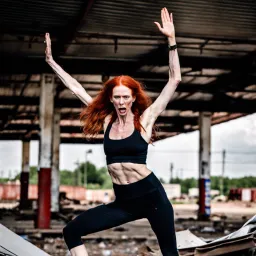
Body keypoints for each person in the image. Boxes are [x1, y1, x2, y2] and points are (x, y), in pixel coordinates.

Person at [45, 7, 181, 256]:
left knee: (170, 254)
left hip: (152, 198)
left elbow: (174, 80)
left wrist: (171, 41)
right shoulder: (108, 121)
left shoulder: (145, 120)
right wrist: (52, 63)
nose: (120, 102)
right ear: (111, 98)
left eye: (125, 97)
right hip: (124, 202)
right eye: (116, 97)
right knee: (71, 231)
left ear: (132, 98)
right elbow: (77, 89)